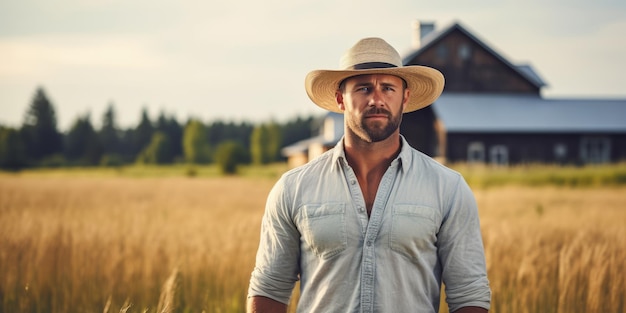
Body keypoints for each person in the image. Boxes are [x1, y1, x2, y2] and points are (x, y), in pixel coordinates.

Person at [247, 37, 491, 313]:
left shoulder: (447, 188)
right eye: (363, 88)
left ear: (405, 97)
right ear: (341, 99)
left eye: (388, 88)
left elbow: (469, 293)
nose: (377, 99)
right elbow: (269, 289)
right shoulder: (294, 188)